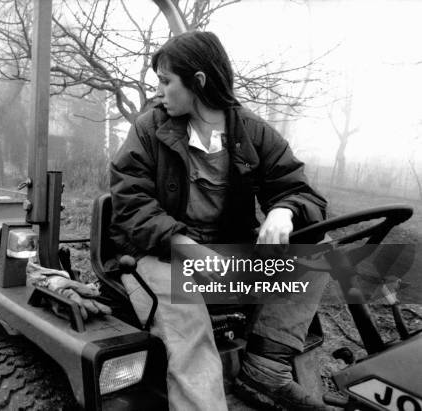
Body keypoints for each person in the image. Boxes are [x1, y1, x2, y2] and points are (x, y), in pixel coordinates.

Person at [109, 31, 331, 411]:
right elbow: (130, 203)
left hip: (225, 256)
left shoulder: (253, 132)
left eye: (166, 81)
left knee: (317, 254)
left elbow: (302, 192)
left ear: (198, 81)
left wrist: (284, 209)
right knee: (187, 317)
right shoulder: (149, 129)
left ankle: (266, 365)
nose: (159, 92)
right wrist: (184, 248)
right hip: (160, 252)